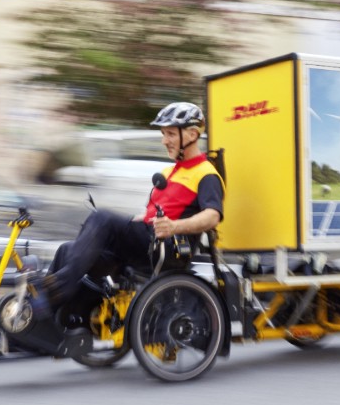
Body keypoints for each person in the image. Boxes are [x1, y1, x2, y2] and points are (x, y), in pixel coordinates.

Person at [28, 101, 224, 355]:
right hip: (145, 241)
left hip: (166, 247)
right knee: (68, 249)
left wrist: (174, 225)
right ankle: (59, 324)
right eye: (163, 134)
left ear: (192, 134)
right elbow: (157, 210)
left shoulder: (206, 174)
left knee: (102, 218)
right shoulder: (170, 172)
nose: (164, 140)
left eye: (170, 134)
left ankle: (52, 292)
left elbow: (212, 216)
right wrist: (141, 217)